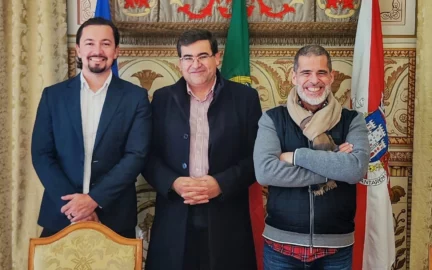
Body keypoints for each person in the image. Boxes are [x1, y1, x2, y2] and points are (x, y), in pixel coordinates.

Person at [143, 29, 261, 270]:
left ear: (217, 58)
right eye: (188, 58)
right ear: (179, 64)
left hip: (227, 216)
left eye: (202, 56)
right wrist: (173, 182)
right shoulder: (162, 99)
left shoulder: (245, 98)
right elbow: (146, 156)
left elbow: (257, 157)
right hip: (175, 215)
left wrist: (221, 183)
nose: (195, 64)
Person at [31, 17, 152, 238]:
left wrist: (94, 200)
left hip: (115, 216)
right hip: (62, 213)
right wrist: (76, 207)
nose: (97, 50)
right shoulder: (53, 96)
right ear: (78, 50)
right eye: (89, 43)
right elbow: (41, 154)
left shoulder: (136, 97)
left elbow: (136, 155)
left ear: (116, 51)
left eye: (106, 43)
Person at [253, 45, 370, 269]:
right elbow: (265, 172)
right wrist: (334, 163)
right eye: (306, 73)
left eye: (321, 73)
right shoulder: (272, 119)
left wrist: (296, 156)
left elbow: (355, 170)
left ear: (332, 77)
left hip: (336, 248)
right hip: (281, 245)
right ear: (294, 77)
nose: (314, 80)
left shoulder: (353, 120)